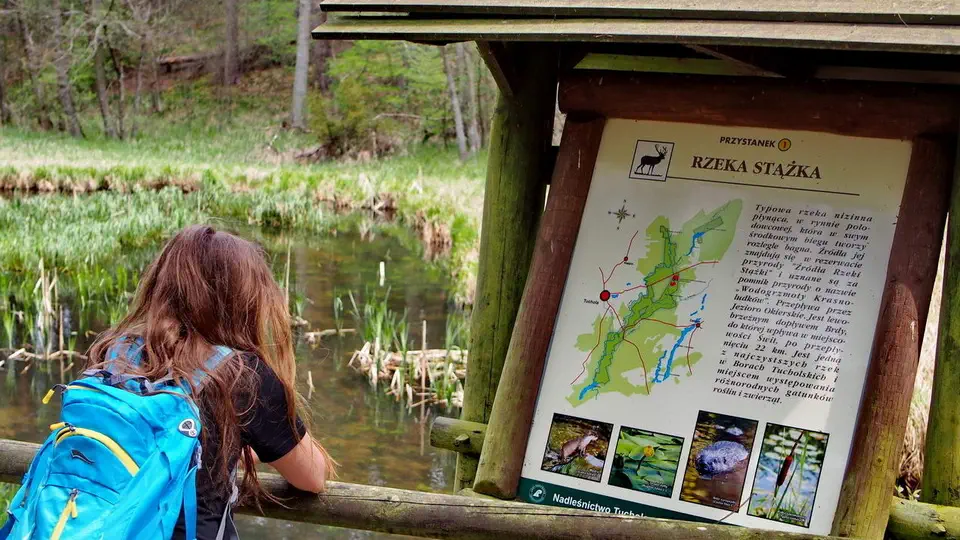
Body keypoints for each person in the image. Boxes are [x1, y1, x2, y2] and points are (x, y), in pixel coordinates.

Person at [85, 225, 336, 539]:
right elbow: (312, 476)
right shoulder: (241, 375)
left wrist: (226, 449)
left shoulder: (114, 352)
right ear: (242, 300)